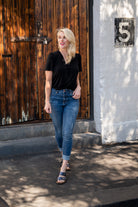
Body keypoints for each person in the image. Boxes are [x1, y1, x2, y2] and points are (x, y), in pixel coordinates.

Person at [44, 28, 82, 184]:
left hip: (72, 99)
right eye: (59, 37)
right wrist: (47, 101)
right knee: (59, 131)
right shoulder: (52, 57)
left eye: (64, 37)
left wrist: (79, 87)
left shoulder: (77, 57)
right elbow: (48, 82)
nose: (61, 40)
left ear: (70, 40)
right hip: (56, 98)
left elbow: (77, 78)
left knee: (67, 132)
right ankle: (63, 152)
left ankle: (64, 165)